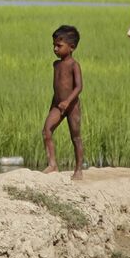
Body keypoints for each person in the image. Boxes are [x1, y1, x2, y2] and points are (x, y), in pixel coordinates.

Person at [43, 25, 84, 179]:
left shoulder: (74, 65)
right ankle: (52, 164)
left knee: (76, 137)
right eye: (54, 45)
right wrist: (54, 106)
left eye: (59, 46)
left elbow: (79, 87)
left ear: (71, 47)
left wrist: (67, 101)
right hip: (58, 105)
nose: (55, 49)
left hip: (72, 106)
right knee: (46, 130)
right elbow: (56, 89)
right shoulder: (56, 65)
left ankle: (78, 170)